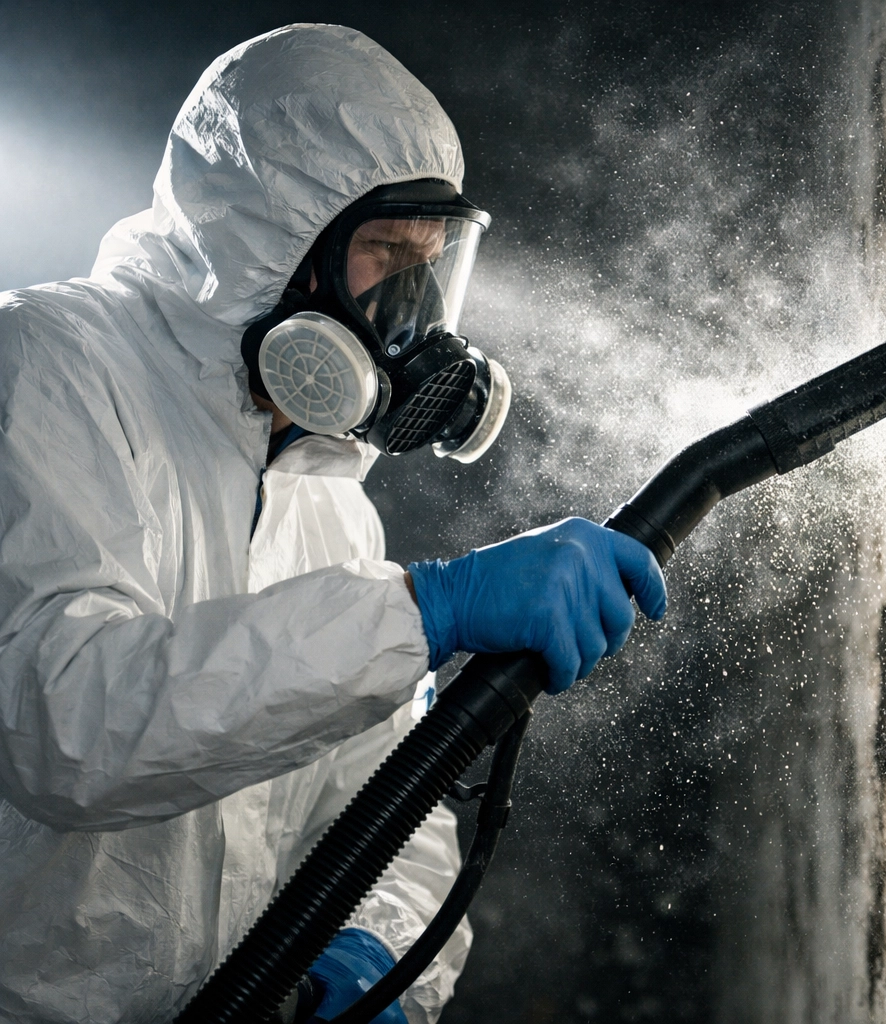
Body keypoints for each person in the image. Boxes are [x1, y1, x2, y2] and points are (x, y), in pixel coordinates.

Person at [0, 24, 666, 1024]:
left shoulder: (326, 503)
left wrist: (371, 946)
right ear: (274, 243)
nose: (414, 311)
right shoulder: (49, 366)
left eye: (429, 266)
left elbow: (387, 804)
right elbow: (66, 721)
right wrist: (424, 610)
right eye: (386, 257)